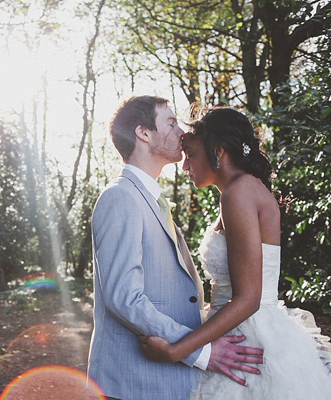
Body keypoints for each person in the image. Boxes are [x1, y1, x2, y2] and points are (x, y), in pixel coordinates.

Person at [139, 107, 331, 399]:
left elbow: (248, 297)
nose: (184, 165)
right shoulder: (243, 190)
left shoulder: (238, 193)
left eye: (190, 153)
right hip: (237, 328)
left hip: (247, 338)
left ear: (217, 150)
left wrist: (175, 350)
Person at [86, 96, 263, 400]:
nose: (181, 132)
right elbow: (123, 297)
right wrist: (200, 351)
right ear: (143, 133)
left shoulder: (152, 199)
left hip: (161, 382)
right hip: (130, 384)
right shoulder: (120, 198)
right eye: (170, 122)